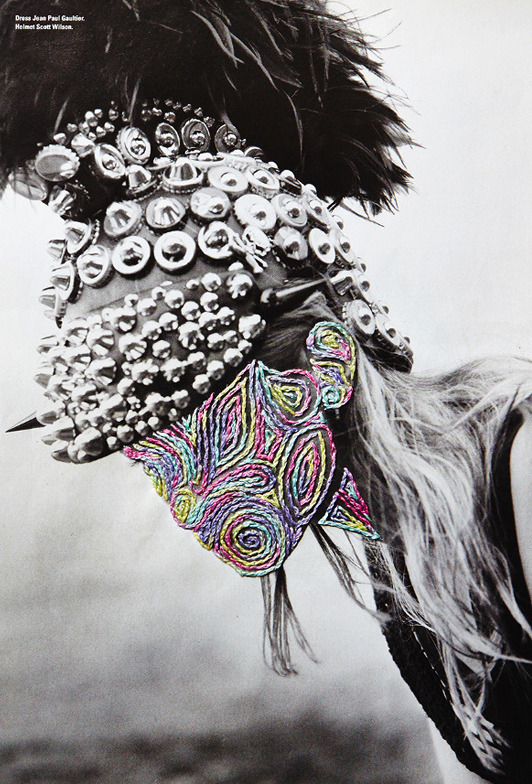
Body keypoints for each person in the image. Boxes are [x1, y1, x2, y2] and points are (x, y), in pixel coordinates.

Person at [1, 1, 530, 782]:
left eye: (201, 432)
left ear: (322, 368)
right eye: (153, 460)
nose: (186, 503)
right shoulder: (407, 551)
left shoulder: (520, 474)